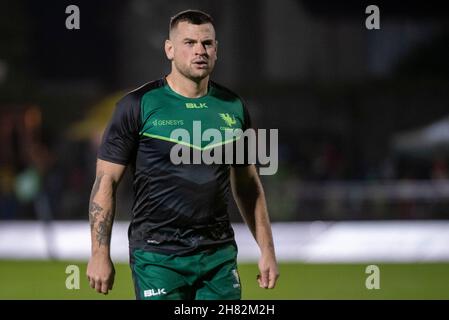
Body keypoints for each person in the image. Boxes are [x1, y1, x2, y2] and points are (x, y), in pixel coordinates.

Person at [87, 9, 279, 300]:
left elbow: (248, 185)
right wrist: (99, 254)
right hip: (157, 256)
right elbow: (105, 183)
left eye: (207, 44)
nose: (199, 51)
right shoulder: (136, 105)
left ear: (217, 50)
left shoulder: (234, 107)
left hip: (218, 256)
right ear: (170, 49)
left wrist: (267, 250)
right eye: (189, 43)